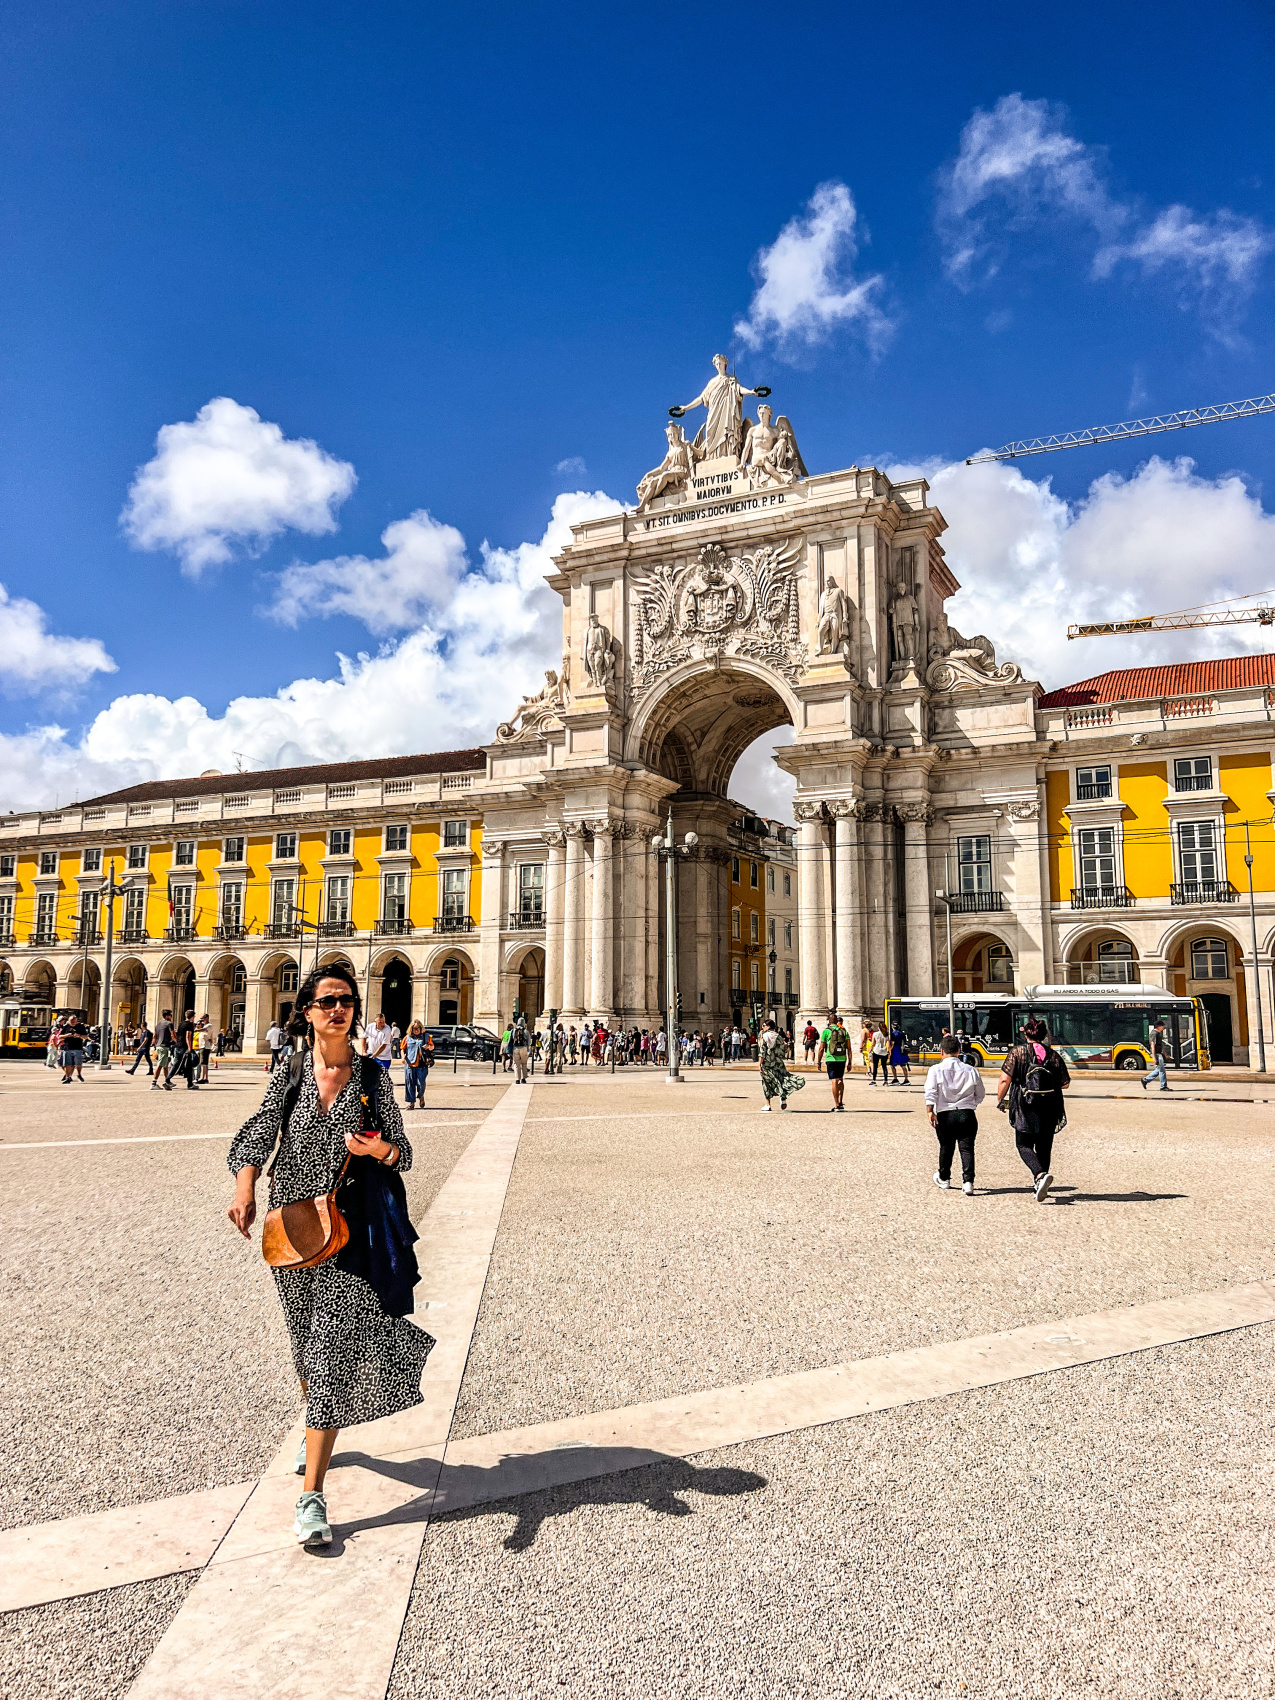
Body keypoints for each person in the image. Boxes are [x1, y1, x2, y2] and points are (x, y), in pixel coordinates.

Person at [227, 964, 433, 1547]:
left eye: (345, 1000)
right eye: (326, 1002)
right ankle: (319, 1419)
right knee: (303, 1338)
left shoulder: (372, 1076)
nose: (338, 1009)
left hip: (348, 1227)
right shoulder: (290, 1068)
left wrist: (383, 1148)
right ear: (307, 1012)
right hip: (290, 1222)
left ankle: (312, 1496)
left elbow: (404, 1152)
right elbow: (260, 1130)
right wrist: (244, 1186)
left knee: (331, 1350)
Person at [996, 1017, 1071, 1203]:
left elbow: (1005, 1080)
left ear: (1025, 1034)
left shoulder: (1017, 1053)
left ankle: (1039, 1175)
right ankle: (1040, 1181)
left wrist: (1000, 1099)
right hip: (1050, 1105)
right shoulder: (1053, 1055)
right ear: (1045, 1034)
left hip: (1024, 1104)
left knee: (1023, 1144)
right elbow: (1066, 1083)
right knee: (1044, 1147)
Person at [924, 1035, 986, 1196]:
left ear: (941, 1051)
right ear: (959, 1050)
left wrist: (930, 1110)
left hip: (945, 1113)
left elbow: (930, 1092)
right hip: (967, 1112)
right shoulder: (971, 1070)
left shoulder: (935, 1070)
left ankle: (944, 1178)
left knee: (946, 1146)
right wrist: (971, 1104)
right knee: (967, 1148)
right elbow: (980, 1093)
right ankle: (968, 1182)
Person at [758, 1018, 805, 1110]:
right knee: (782, 1079)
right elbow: (782, 1050)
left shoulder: (764, 1036)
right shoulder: (779, 1037)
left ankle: (768, 1104)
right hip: (778, 1062)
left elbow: (762, 1052)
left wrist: (760, 1064)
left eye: (764, 1025)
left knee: (766, 1082)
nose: (762, 1027)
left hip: (768, 1063)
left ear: (768, 1027)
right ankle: (783, 1098)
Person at [816, 1013, 850, 1112]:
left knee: (834, 1080)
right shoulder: (844, 1031)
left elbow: (821, 1048)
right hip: (842, 1058)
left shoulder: (826, 1032)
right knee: (840, 1079)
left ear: (829, 1021)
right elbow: (849, 1048)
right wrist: (850, 1062)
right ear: (836, 1021)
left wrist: (818, 1061)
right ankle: (840, 1101)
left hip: (831, 1059)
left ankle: (836, 1105)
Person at [402, 1021, 432, 1109]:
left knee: (420, 1083)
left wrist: (428, 1047)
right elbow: (402, 1048)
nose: (416, 1031)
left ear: (420, 1028)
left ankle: (421, 1096)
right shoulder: (407, 1038)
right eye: (414, 1029)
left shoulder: (426, 1037)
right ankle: (411, 1103)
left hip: (422, 1064)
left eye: (417, 1029)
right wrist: (403, 1057)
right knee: (409, 1084)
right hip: (410, 1064)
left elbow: (432, 1046)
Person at [1142, 1019, 1171, 1093]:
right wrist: (1154, 1058)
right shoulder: (1154, 1034)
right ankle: (1163, 1086)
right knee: (1162, 1071)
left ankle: (1145, 1080)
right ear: (1159, 1026)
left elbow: (1160, 1046)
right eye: (1162, 1026)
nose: (1164, 1027)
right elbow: (1153, 1046)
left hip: (1159, 1053)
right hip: (1156, 1054)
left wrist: (1165, 1054)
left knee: (1159, 1070)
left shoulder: (1158, 1033)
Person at [60, 1014, 87, 1083]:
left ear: (76, 1021)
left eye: (74, 1022)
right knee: (67, 1064)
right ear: (68, 1021)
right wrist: (67, 1035)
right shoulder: (66, 1027)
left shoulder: (80, 1026)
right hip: (67, 1047)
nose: (73, 1023)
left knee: (78, 1063)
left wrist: (79, 1036)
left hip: (77, 1047)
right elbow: (60, 1036)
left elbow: (86, 1036)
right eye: (71, 1022)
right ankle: (68, 1077)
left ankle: (79, 1074)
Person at [152, 1010, 174, 1091]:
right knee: (161, 1064)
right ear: (167, 1016)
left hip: (158, 1045)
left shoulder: (158, 1024)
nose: (171, 1017)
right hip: (164, 1045)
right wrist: (176, 1041)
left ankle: (167, 1081)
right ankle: (153, 1083)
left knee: (165, 1064)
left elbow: (155, 1035)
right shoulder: (169, 1024)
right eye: (170, 1015)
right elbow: (173, 1034)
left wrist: (155, 1045)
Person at [197, 1017, 213, 1083]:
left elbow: (203, 1029)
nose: (202, 1021)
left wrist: (195, 1030)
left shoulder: (209, 1025)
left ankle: (204, 1078)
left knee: (204, 1063)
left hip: (205, 1046)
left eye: (203, 1019)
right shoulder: (205, 1026)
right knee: (204, 1063)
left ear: (206, 1018)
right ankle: (204, 1077)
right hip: (203, 1046)